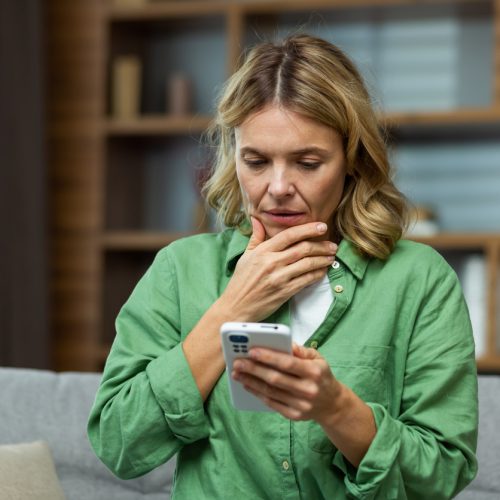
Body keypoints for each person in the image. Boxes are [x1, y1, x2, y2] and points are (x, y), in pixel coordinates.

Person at [88, 34, 478, 499]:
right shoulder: (179, 270)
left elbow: (442, 473)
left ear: (351, 160)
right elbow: (119, 445)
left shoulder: (418, 280)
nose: (277, 187)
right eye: (255, 161)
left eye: (308, 163)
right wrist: (232, 308)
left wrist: (337, 409)